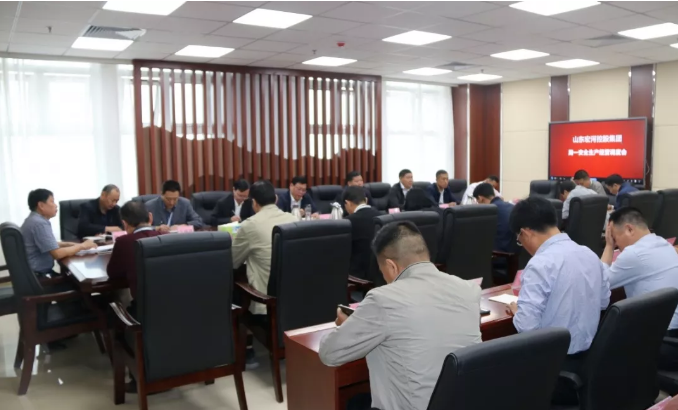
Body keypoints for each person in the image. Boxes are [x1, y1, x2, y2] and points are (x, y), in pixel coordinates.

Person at [319, 221, 481, 410]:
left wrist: (347, 326)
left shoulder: (383, 299)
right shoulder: (469, 289)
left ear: (391, 266)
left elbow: (329, 353)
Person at [506, 197, 610, 404]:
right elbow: (604, 302)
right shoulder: (589, 254)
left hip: (552, 372)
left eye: (519, 239)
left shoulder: (540, 264)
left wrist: (518, 312)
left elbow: (528, 329)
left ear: (525, 233)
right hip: (589, 364)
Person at [601, 207, 678, 369]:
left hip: (660, 343)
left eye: (615, 238)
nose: (616, 244)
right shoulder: (664, 244)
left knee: (601, 345)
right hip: (672, 339)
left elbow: (599, 284)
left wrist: (608, 246)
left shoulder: (634, 254)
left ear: (629, 229)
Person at [232, 181, 298, 316]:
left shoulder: (250, 225)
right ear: (276, 199)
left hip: (265, 303)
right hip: (294, 299)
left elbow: (232, 262)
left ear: (254, 202)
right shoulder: (294, 219)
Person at [20, 189, 97, 275]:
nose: (56, 205)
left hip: (32, 274)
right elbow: (57, 254)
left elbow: (47, 244)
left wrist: (69, 244)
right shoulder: (39, 223)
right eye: (52, 202)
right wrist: (82, 246)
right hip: (39, 277)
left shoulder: (33, 220)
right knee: (78, 279)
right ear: (41, 205)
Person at [107, 201, 163, 303]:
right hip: (174, 304)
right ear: (150, 217)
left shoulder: (123, 242)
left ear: (124, 224)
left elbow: (113, 273)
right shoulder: (168, 237)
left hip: (142, 308)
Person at [343, 186, 382, 279]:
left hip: (357, 274)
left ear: (347, 203)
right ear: (366, 200)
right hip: (380, 271)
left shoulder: (348, 222)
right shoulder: (382, 216)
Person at [473, 182, 518, 254]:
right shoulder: (511, 206)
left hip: (499, 254)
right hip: (515, 254)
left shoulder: (489, 211)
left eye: (477, 201)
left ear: (480, 198)